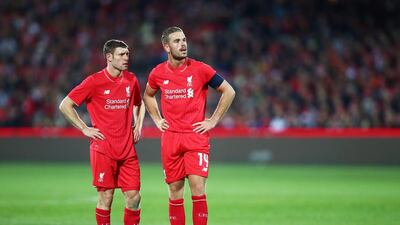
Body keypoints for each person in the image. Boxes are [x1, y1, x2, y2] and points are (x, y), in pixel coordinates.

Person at [143, 27, 235, 225]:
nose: (183, 44)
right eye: (177, 41)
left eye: (184, 40)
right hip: (171, 138)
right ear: (166, 46)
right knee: (175, 191)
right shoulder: (158, 73)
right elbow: (148, 95)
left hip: (195, 137)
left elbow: (229, 91)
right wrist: (158, 119)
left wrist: (213, 120)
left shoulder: (201, 69)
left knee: (197, 188)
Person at [59, 39, 145, 225]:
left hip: (127, 150)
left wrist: (138, 125)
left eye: (127, 54)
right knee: (106, 197)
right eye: (121, 54)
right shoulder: (94, 82)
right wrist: (84, 128)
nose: (126, 58)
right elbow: (66, 105)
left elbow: (140, 103)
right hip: (103, 149)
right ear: (109, 57)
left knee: (134, 197)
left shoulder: (131, 79)